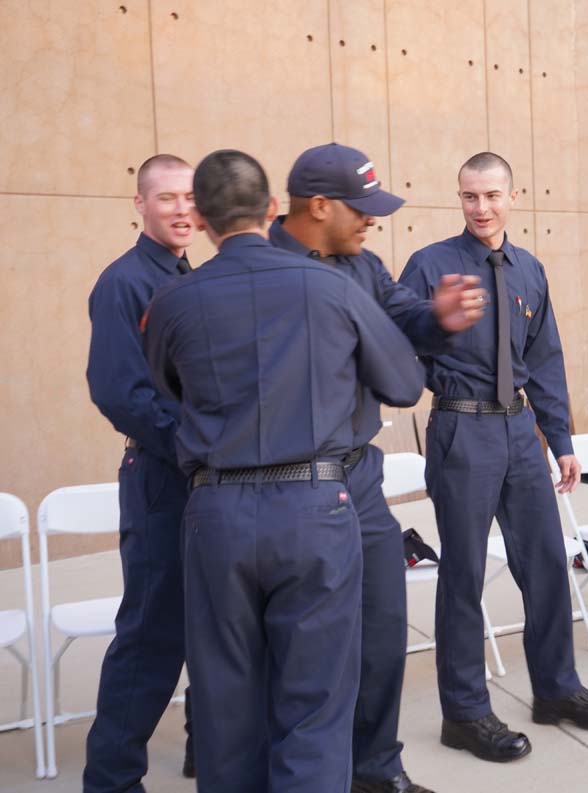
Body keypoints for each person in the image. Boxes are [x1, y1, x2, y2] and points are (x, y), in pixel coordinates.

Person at [143, 149, 426, 792]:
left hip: (217, 514)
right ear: (271, 209)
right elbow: (405, 383)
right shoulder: (331, 287)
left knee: (225, 707)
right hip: (315, 510)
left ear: (204, 219)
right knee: (317, 706)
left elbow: (166, 384)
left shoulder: (173, 302)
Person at [270, 142, 487, 793]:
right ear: (318, 206)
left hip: (358, 476)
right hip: (285, 484)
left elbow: (404, 316)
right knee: (297, 644)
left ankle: (375, 766)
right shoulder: (261, 269)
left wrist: (438, 318)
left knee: (382, 624)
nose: (372, 220)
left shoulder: (362, 265)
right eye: (361, 209)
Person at [397, 151, 588, 763]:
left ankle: (556, 689)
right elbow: (397, 340)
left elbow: (545, 361)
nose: (481, 208)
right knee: (464, 575)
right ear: (459, 197)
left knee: (548, 564)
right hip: (461, 430)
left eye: (492, 196)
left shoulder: (529, 270)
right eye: (470, 196)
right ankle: (466, 714)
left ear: (513, 197)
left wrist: (563, 440)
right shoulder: (431, 265)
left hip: (521, 433)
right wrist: (435, 377)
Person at [84, 153, 196, 791]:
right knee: (153, 634)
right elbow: (119, 392)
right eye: (166, 199)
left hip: (207, 477)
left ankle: (203, 749)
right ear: (140, 205)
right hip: (162, 476)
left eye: (189, 198)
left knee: (212, 626)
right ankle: (111, 778)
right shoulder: (124, 282)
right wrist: (195, 447)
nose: (181, 210)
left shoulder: (193, 276)